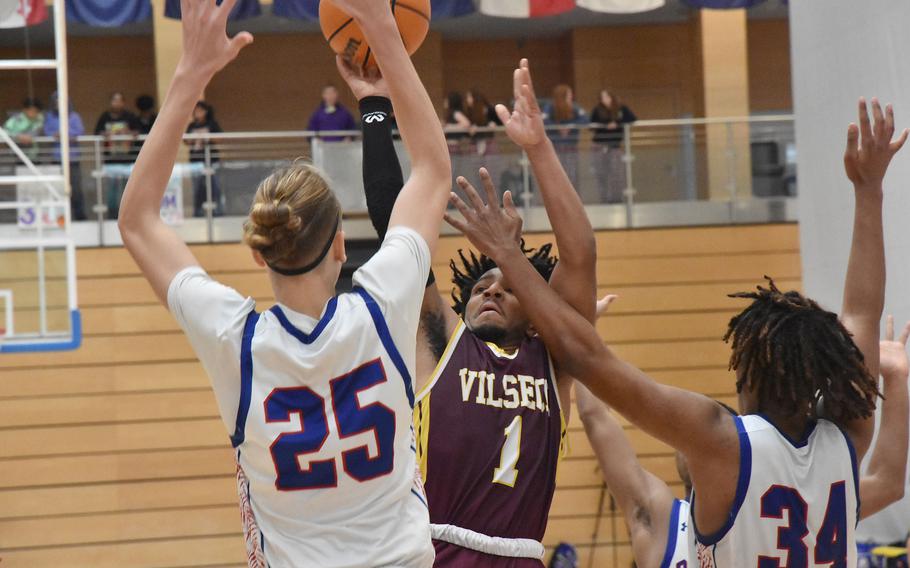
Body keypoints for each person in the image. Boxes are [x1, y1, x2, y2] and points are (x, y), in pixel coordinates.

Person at [445, 97, 907, 567]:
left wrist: (510, 256)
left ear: (747, 372)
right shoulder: (848, 440)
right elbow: (863, 316)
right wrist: (869, 190)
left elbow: (588, 359)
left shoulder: (724, 442)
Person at [117, 0, 450, 565]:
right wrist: (382, 38)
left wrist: (190, 73)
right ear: (342, 247)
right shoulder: (383, 307)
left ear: (258, 254)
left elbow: (137, 220)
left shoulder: (236, 341)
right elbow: (432, 169)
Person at [340, 57, 596, 566]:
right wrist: (374, 109)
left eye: (508, 287)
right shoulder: (443, 343)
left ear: (536, 312)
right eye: (481, 286)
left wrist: (538, 150)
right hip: (432, 551)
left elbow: (581, 254)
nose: (492, 291)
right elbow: (398, 228)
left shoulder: (556, 360)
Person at [577, 294, 910, 568]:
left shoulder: (794, 492)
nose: (690, 440)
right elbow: (596, 418)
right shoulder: (660, 515)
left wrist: (579, 335)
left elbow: (887, 484)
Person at [43, 93, 87, 221]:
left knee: (76, 189)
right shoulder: (50, 117)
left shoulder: (74, 116)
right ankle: (60, 217)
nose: (59, 104)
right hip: (56, 158)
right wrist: (55, 134)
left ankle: (79, 216)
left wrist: (65, 133)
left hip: (72, 158)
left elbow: (79, 131)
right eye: (56, 102)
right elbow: (47, 131)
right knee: (57, 188)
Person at [95, 91, 139, 219]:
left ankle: (128, 217)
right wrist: (106, 134)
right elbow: (97, 132)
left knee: (128, 191)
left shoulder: (130, 116)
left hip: (127, 160)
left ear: (123, 102)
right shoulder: (104, 117)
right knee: (112, 193)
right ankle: (113, 216)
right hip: (111, 161)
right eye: (114, 100)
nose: (117, 103)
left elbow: (138, 132)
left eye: (119, 100)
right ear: (111, 102)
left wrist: (128, 132)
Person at [589, 90, 636, 204]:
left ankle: (616, 199)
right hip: (599, 145)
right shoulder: (597, 110)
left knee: (616, 174)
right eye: (602, 97)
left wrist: (617, 123)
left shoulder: (621, 109)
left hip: (614, 146)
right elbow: (591, 124)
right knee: (601, 173)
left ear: (612, 97)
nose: (604, 99)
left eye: (606, 96)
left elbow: (632, 119)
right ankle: (604, 199)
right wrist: (605, 125)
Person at [542, 85, 586, 192]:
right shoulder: (550, 107)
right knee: (556, 174)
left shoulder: (574, 107)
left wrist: (571, 125)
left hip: (571, 147)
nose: (571, 96)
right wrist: (557, 127)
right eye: (569, 94)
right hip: (555, 147)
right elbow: (543, 120)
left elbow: (585, 119)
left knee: (572, 175)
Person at [185, 101, 223, 217]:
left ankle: (218, 210)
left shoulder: (212, 124)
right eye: (195, 110)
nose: (197, 112)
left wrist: (207, 136)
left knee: (215, 186)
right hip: (196, 160)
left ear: (206, 111)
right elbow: (186, 141)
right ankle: (198, 211)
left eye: (199, 110)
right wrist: (193, 138)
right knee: (197, 187)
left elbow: (219, 139)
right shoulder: (192, 125)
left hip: (211, 159)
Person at [3, 97, 44, 161]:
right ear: (25, 110)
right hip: (16, 155)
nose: (34, 114)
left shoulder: (39, 119)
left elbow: (38, 130)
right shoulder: (15, 119)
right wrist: (18, 136)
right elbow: (4, 132)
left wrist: (29, 136)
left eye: (36, 111)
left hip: (33, 156)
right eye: (31, 111)